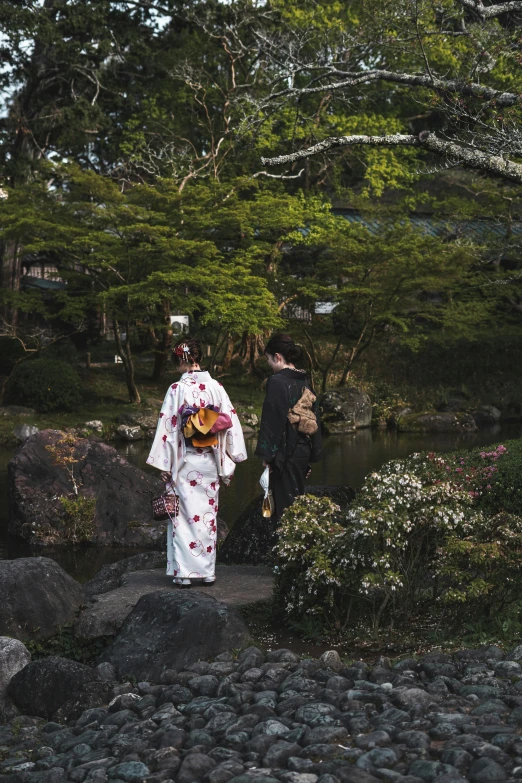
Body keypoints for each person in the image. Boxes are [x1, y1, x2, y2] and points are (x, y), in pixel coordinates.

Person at [147, 336, 247, 586]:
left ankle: (184, 575)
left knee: (183, 518)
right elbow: (230, 424)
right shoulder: (217, 388)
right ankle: (208, 572)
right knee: (207, 517)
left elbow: (168, 427)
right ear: (199, 357)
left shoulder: (176, 389)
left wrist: (164, 464)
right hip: (210, 461)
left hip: (184, 462)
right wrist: (231, 460)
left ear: (182, 359)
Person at [255, 333, 322, 520]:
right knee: (297, 500)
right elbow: (314, 417)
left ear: (278, 357)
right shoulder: (304, 381)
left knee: (285, 506)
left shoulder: (277, 381)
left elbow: (273, 419)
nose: (268, 363)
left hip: (285, 451)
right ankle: (298, 544)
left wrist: (268, 456)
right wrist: (313, 454)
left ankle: (287, 546)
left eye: (269, 359)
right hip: (302, 449)